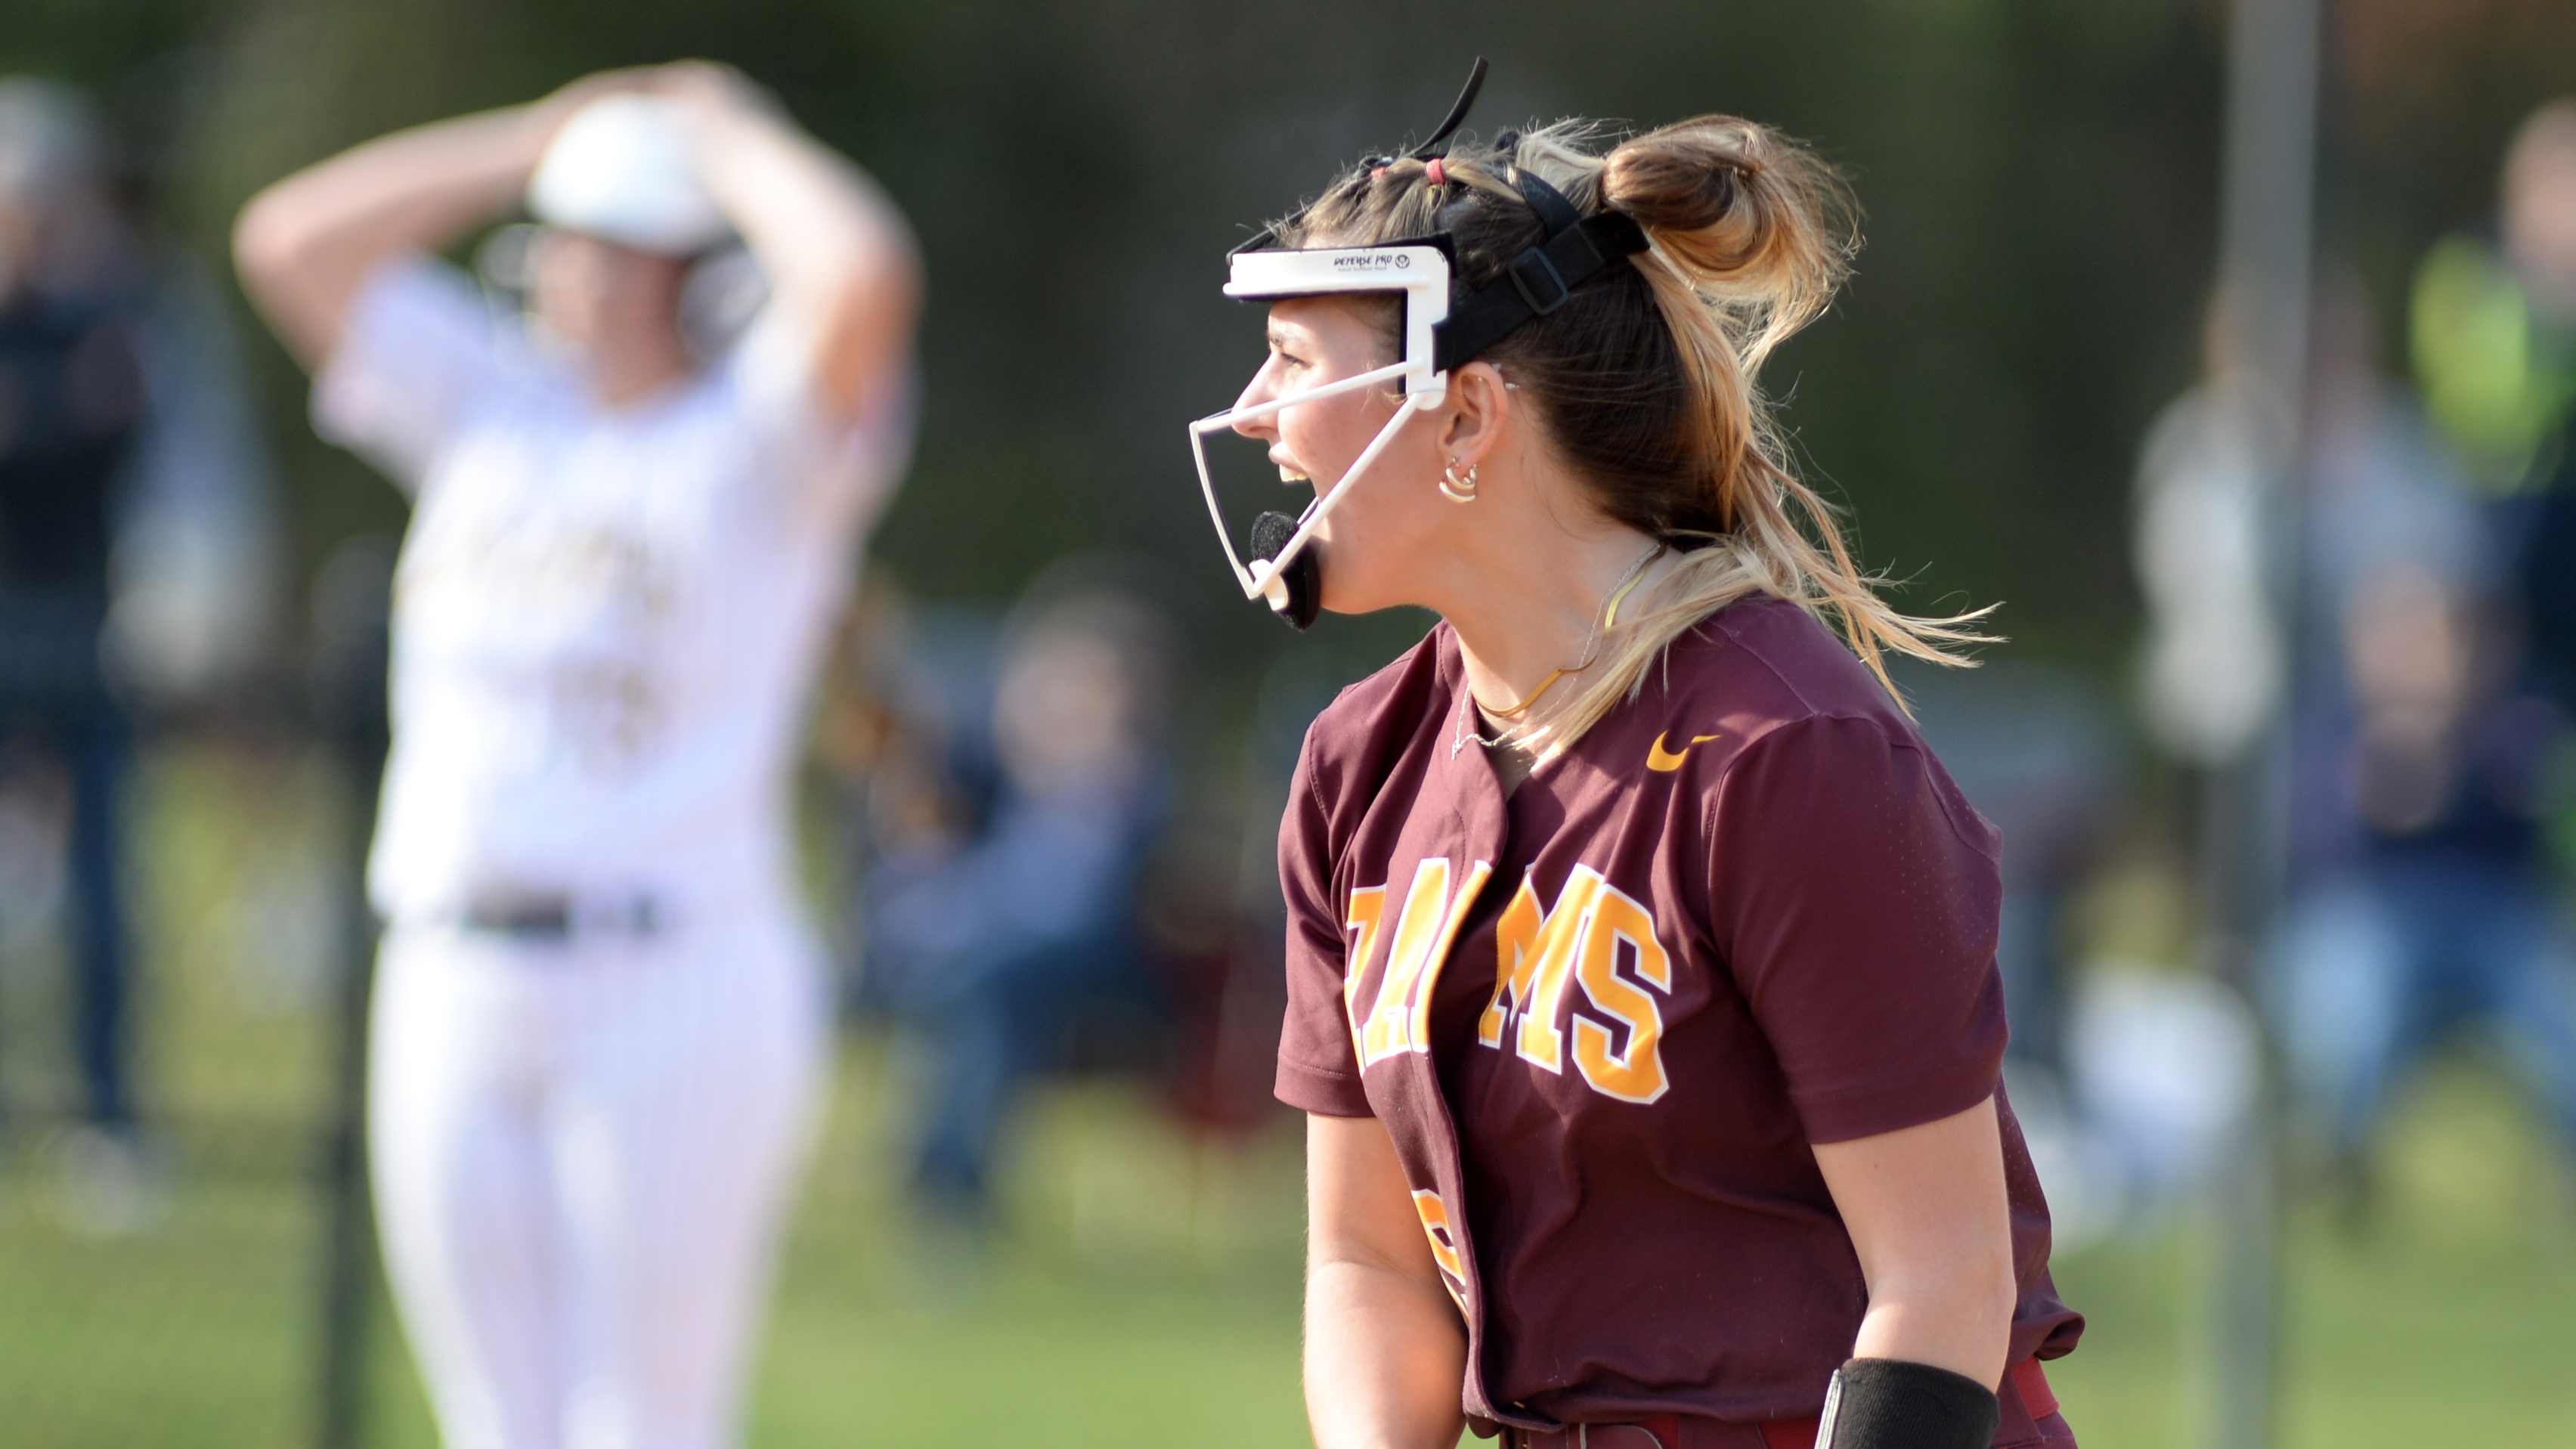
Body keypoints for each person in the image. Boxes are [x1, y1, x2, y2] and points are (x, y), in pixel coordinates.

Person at [1191, 84, 2079, 1449]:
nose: (1253, 413)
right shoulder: (1356, 766)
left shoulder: (1784, 757)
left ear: (1468, 414)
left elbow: (1944, 1280)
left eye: (1299, 365)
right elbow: (1366, 1264)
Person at [233, 63, 919, 1449]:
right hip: (449, 958)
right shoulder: (489, 406)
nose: (586, 273)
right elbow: (284, 239)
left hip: (669, 965)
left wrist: (730, 139)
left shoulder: (758, 441)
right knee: (496, 1424)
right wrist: (537, 139)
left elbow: (859, 271)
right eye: (573, 240)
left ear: (702, 271)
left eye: (632, 249)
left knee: (646, 1424)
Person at [859, 573, 1173, 1227]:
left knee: (978, 977)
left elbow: (1102, 901)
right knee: (973, 978)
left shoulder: (1128, 789)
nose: (1063, 706)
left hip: (1097, 963)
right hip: (991, 951)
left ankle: (944, 1188)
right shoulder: (993, 773)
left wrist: (1087, 765)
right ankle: (947, 1190)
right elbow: (918, 814)